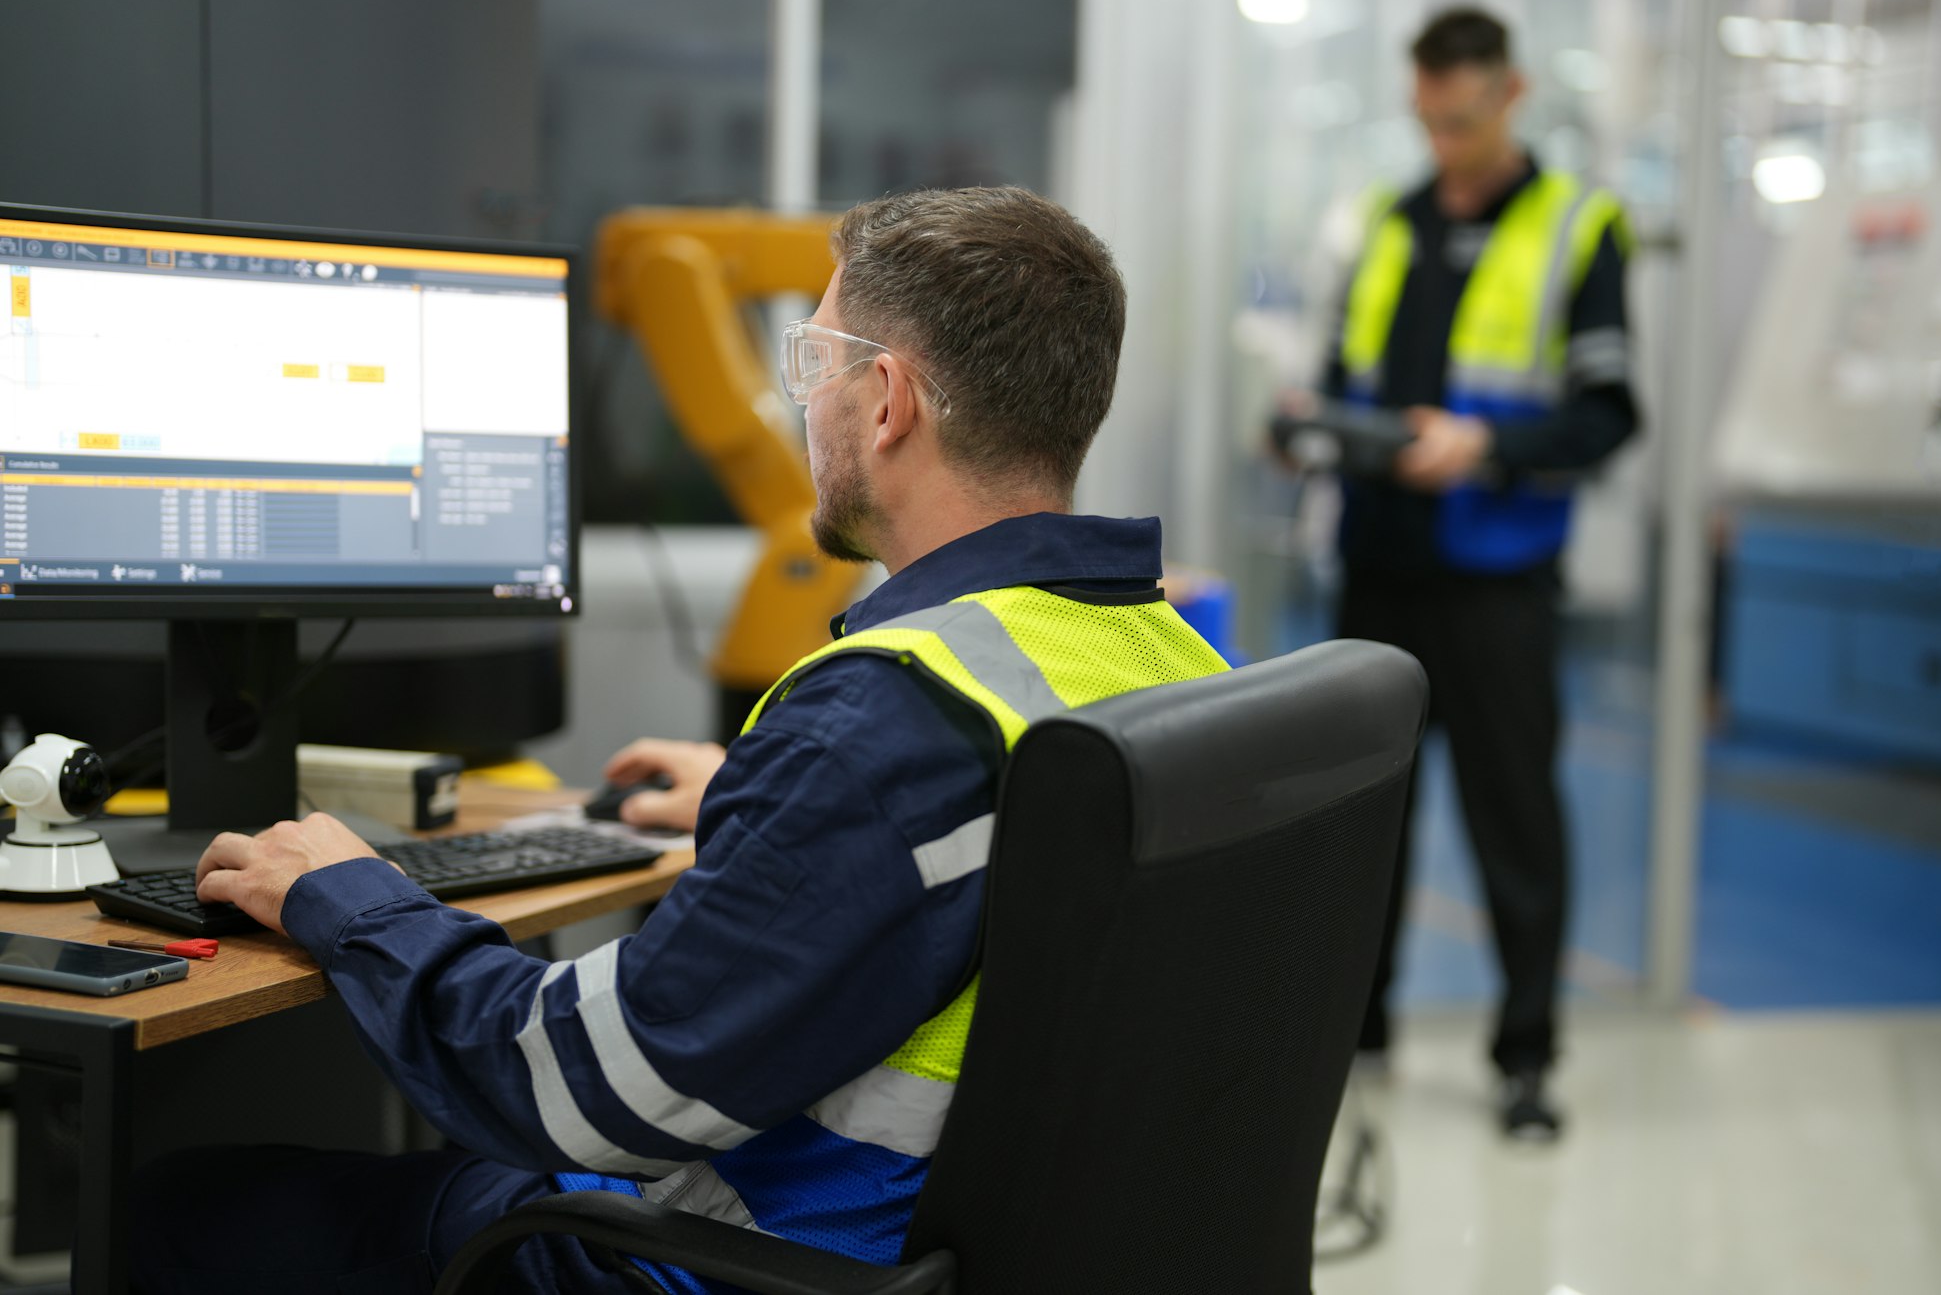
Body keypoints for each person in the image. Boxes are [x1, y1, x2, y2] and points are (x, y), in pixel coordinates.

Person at [131, 186, 1230, 1293]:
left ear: (886, 400)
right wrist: (780, 811)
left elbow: (578, 1093)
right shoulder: (1173, 662)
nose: (808, 406)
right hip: (988, 1257)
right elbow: (1021, 840)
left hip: (747, 1264)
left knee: (179, 1213)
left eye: (815, 364)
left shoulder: (879, 734)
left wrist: (353, 896)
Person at [1313, 7, 1639, 1140]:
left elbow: (1605, 415)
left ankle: (1524, 1057)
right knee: (1363, 822)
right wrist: (1306, 429)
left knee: (1515, 824)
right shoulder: (1385, 224)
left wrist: (1485, 446)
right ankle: (1357, 1036)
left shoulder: (1576, 228)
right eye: (1425, 120)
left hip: (1496, 580)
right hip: (1376, 571)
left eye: (1460, 119)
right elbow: (1337, 373)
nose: (1442, 143)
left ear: (1509, 94)